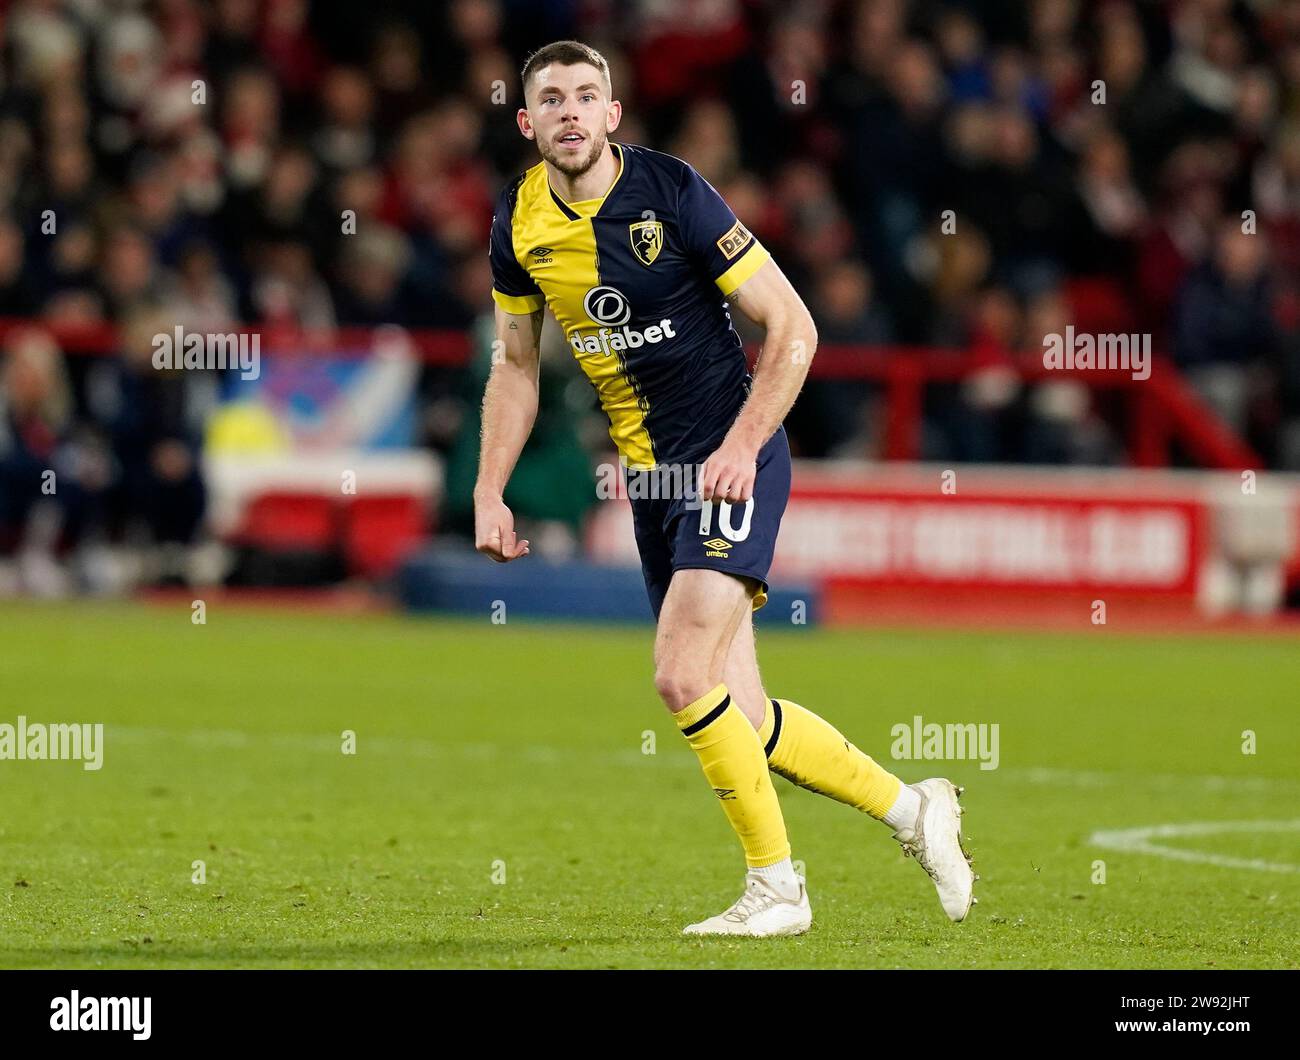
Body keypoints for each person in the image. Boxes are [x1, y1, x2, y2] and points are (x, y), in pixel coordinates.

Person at [474, 41, 976, 936]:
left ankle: (776, 890)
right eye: (551, 100)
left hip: (727, 456)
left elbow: (794, 326)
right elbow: (516, 364)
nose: (571, 113)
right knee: (740, 711)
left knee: (677, 675)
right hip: (653, 481)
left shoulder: (672, 193)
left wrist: (744, 445)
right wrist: (488, 489)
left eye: (588, 95)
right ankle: (915, 809)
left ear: (614, 113)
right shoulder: (518, 222)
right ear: (528, 122)